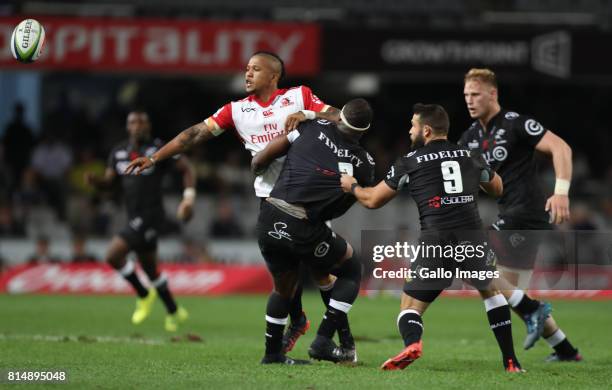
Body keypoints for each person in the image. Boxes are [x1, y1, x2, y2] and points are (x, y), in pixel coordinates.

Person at [125, 51, 339, 351]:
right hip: (272, 199)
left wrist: (309, 114)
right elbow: (193, 134)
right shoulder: (236, 110)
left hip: (310, 196)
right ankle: (299, 320)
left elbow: (340, 117)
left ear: (273, 75)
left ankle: (334, 337)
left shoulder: (299, 96)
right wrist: (155, 158)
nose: (247, 74)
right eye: (246, 69)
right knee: (284, 273)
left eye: (255, 69)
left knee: (320, 270)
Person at [341, 103, 524, 372]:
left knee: (409, 306)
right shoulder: (470, 155)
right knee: (491, 292)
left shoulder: (410, 161)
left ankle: (413, 343)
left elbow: (372, 200)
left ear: (426, 130)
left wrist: (352, 186)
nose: (410, 130)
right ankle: (511, 362)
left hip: (435, 240)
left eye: (413, 125)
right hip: (472, 237)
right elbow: (497, 188)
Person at [460, 68, 581, 362]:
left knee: (473, 263)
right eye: (466, 95)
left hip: (525, 212)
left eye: (476, 94)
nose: (470, 100)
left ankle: (533, 311)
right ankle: (565, 349)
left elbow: (560, 147)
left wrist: (561, 191)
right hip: (509, 212)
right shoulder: (471, 136)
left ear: (493, 94)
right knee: (507, 293)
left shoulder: (516, 124)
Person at [252, 98, 375, 364]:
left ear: (339, 117)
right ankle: (322, 340)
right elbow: (343, 206)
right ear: (364, 131)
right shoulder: (365, 163)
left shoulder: (311, 127)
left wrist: (258, 168)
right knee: (351, 268)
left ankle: (272, 355)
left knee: (283, 288)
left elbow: (261, 158)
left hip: (269, 215)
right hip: (304, 225)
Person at [85, 110, 195, 332]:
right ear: (127, 127)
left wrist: (188, 198)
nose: (138, 126)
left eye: (142, 122)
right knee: (151, 270)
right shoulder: (118, 152)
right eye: (133, 122)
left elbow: (188, 169)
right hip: (132, 215)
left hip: (152, 216)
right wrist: (97, 182)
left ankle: (143, 295)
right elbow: (109, 181)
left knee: (113, 255)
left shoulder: (158, 149)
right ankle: (174, 311)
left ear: (149, 126)